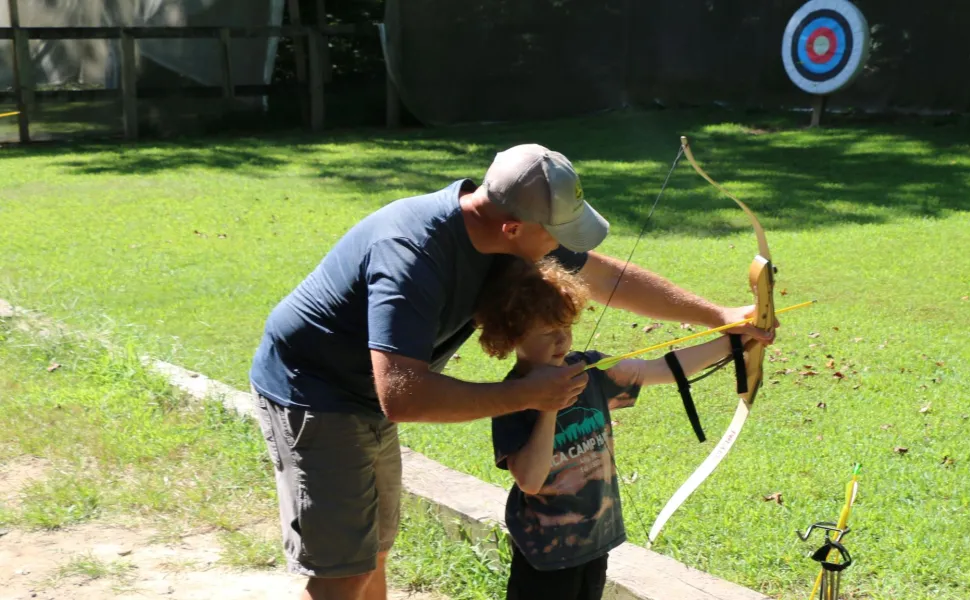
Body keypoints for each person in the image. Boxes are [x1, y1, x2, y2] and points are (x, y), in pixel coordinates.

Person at [248, 143, 771, 600]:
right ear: (513, 227)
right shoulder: (412, 255)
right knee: (340, 575)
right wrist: (531, 396)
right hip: (315, 393)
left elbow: (608, 278)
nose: (564, 249)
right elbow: (402, 397)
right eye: (557, 235)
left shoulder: (505, 232)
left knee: (374, 551)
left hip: (370, 392)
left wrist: (719, 318)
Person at [474, 256, 767, 600]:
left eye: (566, 328)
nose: (562, 341)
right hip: (545, 552)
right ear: (513, 336)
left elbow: (661, 369)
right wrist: (548, 407)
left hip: (596, 538)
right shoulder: (512, 397)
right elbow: (530, 479)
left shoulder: (590, 369)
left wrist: (737, 341)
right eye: (549, 333)